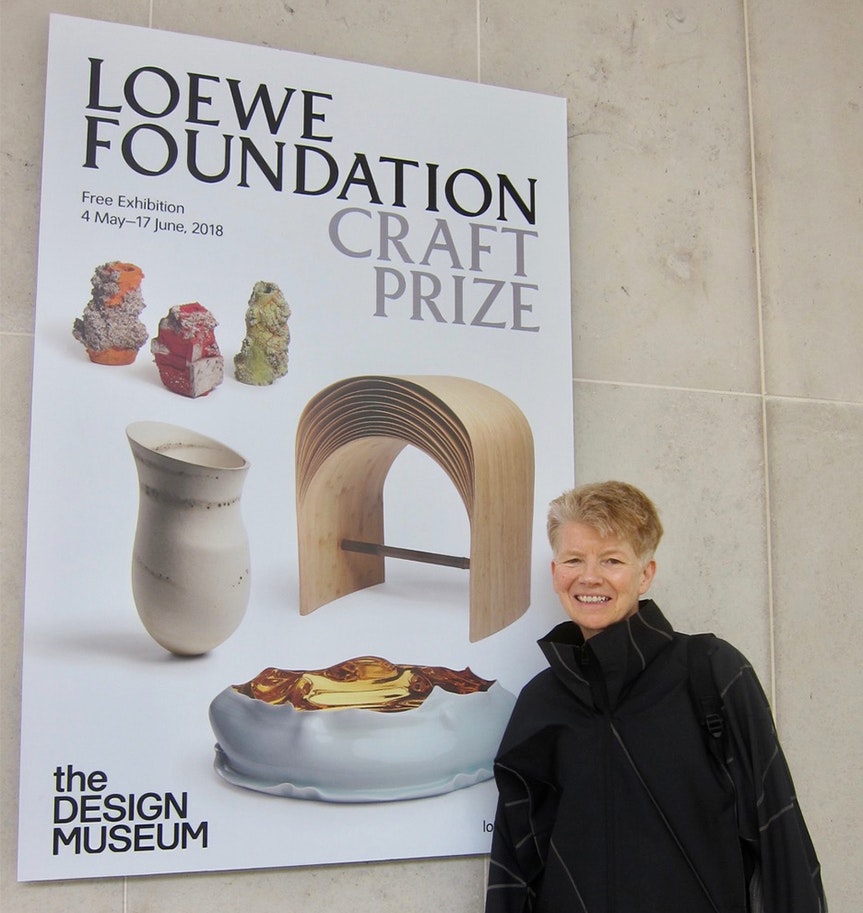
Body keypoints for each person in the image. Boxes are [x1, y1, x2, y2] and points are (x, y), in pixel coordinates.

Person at [485, 480, 825, 913]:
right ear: (555, 573)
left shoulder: (712, 672)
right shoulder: (540, 703)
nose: (589, 577)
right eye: (574, 559)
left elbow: (779, 836)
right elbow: (514, 870)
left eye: (612, 560)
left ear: (645, 574)